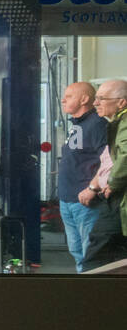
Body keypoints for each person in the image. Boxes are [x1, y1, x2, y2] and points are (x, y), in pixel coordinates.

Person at [57, 82, 109, 272]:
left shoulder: (97, 124)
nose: (63, 99)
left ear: (85, 99)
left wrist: (92, 189)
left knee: (90, 256)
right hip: (67, 200)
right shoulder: (76, 125)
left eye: (69, 96)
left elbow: (108, 160)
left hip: (86, 202)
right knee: (77, 253)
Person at [82, 79, 127, 268]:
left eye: (101, 98)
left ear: (121, 102)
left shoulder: (124, 123)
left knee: (96, 255)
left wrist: (113, 183)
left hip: (118, 198)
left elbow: (125, 155)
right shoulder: (117, 122)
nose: (95, 103)